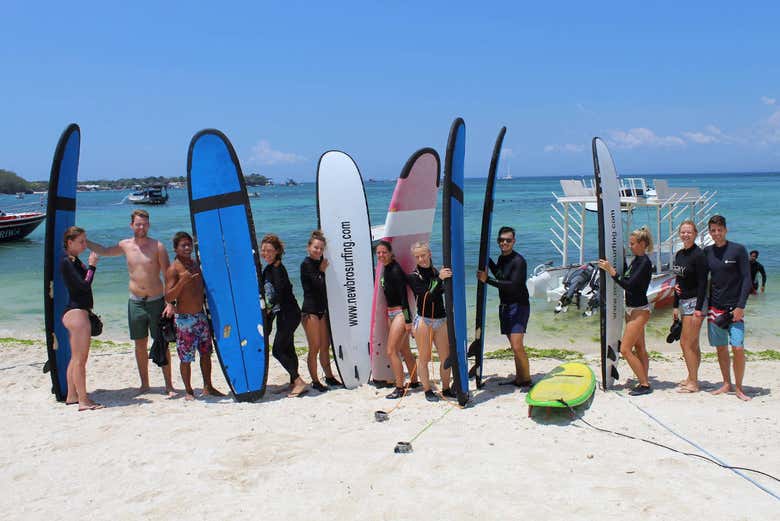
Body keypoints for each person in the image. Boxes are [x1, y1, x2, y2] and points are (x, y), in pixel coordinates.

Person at [87, 209, 176, 396]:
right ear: (131, 225)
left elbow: (168, 275)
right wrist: (84, 241)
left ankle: (169, 385)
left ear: (148, 225)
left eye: (144, 224)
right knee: (139, 344)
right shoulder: (125, 245)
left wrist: (170, 303)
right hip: (135, 302)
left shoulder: (158, 246)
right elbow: (104, 251)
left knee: (162, 342)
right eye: (138, 224)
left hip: (156, 301)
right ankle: (145, 385)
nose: (141, 227)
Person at [164, 232, 224, 400]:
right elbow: (168, 296)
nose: (187, 248)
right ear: (175, 248)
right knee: (186, 358)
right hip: (184, 320)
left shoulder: (196, 264)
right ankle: (189, 391)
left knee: (206, 353)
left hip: (200, 316)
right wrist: (182, 281)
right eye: (183, 245)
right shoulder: (173, 269)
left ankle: (208, 386)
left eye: (189, 244)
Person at [598, 226, 654, 396]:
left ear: (642, 244)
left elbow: (628, 285)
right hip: (631, 309)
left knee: (625, 349)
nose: (630, 246)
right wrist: (620, 256)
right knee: (640, 347)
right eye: (629, 244)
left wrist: (611, 271)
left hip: (639, 310)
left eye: (632, 243)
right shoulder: (636, 260)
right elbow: (628, 275)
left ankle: (644, 385)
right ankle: (644, 378)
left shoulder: (644, 263)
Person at [703, 215, 752, 401]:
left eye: (719, 230)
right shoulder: (707, 252)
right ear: (709, 232)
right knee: (721, 348)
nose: (716, 233)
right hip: (715, 308)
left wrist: (741, 306)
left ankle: (739, 387)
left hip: (734, 309)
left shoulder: (738, 250)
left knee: (737, 348)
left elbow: (747, 279)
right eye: (713, 230)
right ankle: (726, 383)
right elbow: (700, 278)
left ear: (725, 230)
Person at [476, 226, 531, 388]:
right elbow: (501, 276)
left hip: (518, 306)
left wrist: (487, 280)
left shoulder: (519, 261)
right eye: (501, 240)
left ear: (514, 241)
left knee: (517, 346)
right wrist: (487, 260)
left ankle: (527, 379)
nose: (504, 243)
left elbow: (513, 285)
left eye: (508, 240)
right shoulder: (502, 258)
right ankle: (519, 378)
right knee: (514, 346)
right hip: (505, 306)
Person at [61, 226, 104, 411]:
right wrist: (92, 266)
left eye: (85, 241)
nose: (84, 245)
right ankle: (83, 400)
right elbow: (84, 286)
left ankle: (72, 395)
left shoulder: (74, 261)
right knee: (80, 359)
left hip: (78, 312)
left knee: (75, 358)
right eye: (81, 242)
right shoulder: (67, 262)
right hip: (77, 313)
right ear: (70, 243)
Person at [261, 234, 307, 397]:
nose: (265, 253)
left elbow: (279, 294)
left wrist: (268, 309)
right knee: (288, 347)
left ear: (277, 251)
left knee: (278, 350)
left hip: (289, 313)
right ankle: (293, 383)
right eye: (263, 250)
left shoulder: (277, 269)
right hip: (285, 313)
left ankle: (299, 381)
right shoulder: (268, 269)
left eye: (269, 250)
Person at [407, 242, 453, 402]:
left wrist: (445, 279)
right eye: (417, 257)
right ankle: (427, 390)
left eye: (423, 255)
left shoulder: (435, 272)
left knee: (446, 357)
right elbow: (427, 296)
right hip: (424, 321)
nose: (421, 259)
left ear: (429, 254)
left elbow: (442, 291)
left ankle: (446, 388)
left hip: (441, 319)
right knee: (424, 357)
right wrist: (440, 279)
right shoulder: (413, 277)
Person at [375, 240, 420, 398]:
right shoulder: (385, 268)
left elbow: (403, 297)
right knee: (404, 350)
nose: (381, 255)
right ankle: (414, 381)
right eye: (378, 253)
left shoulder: (395, 270)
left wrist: (408, 321)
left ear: (390, 253)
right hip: (391, 313)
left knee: (391, 351)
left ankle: (400, 388)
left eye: (384, 252)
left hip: (400, 313)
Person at [300, 230, 341, 392]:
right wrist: (322, 271)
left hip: (321, 310)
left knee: (325, 345)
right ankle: (315, 380)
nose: (318, 251)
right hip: (310, 311)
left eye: (321, 248)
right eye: (316, 247)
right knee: (315, 346)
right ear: (308, 247)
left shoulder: (320, 263)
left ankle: (329, 377)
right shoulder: (306, 264)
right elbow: (316, 284)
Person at [671, 220, 708, 393]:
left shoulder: (699, 255)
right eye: (683, 232)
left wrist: (698, 309)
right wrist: (675, 305)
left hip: (695, 303)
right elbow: (678, 281)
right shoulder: (679, 254)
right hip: (683, 302)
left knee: (687, 343)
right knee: (692, 344)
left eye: (689, 232)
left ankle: (694, 382)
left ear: (695, 234)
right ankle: (691, 377)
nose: (685, 235)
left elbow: (703, 284)